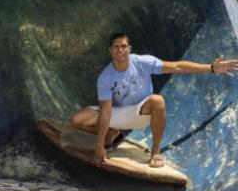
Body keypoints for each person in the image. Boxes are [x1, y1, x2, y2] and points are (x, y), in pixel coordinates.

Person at [71, 32, 238, 168]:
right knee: (78, 120)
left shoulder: (143, 62)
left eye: (123, 46)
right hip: (118, 114)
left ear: (129, 49)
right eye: (116, 47)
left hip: (140, 113)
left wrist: (211, 68)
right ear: (110, 50)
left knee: (158, 100)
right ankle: (112, 135)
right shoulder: (106, 77)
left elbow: (177, 66)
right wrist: (99, 145)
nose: (120, 50)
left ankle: (155, 151)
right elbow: (106, 110)